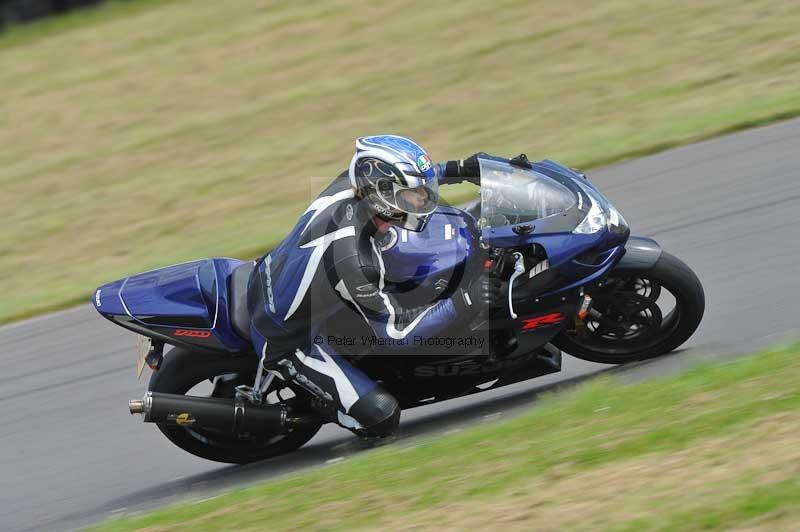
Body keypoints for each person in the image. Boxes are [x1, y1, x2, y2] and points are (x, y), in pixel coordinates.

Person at [246, 135, 493, 440]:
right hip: (291, 339)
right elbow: (396, 335)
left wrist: (457, 169)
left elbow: (407, 181)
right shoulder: (353, 261)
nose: (423, 199)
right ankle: (325, 402)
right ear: (383, 196)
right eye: (415, 195)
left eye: (423, 191)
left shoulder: (353, 187)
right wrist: (465, 300)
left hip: (284, 278)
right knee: (381, 417)